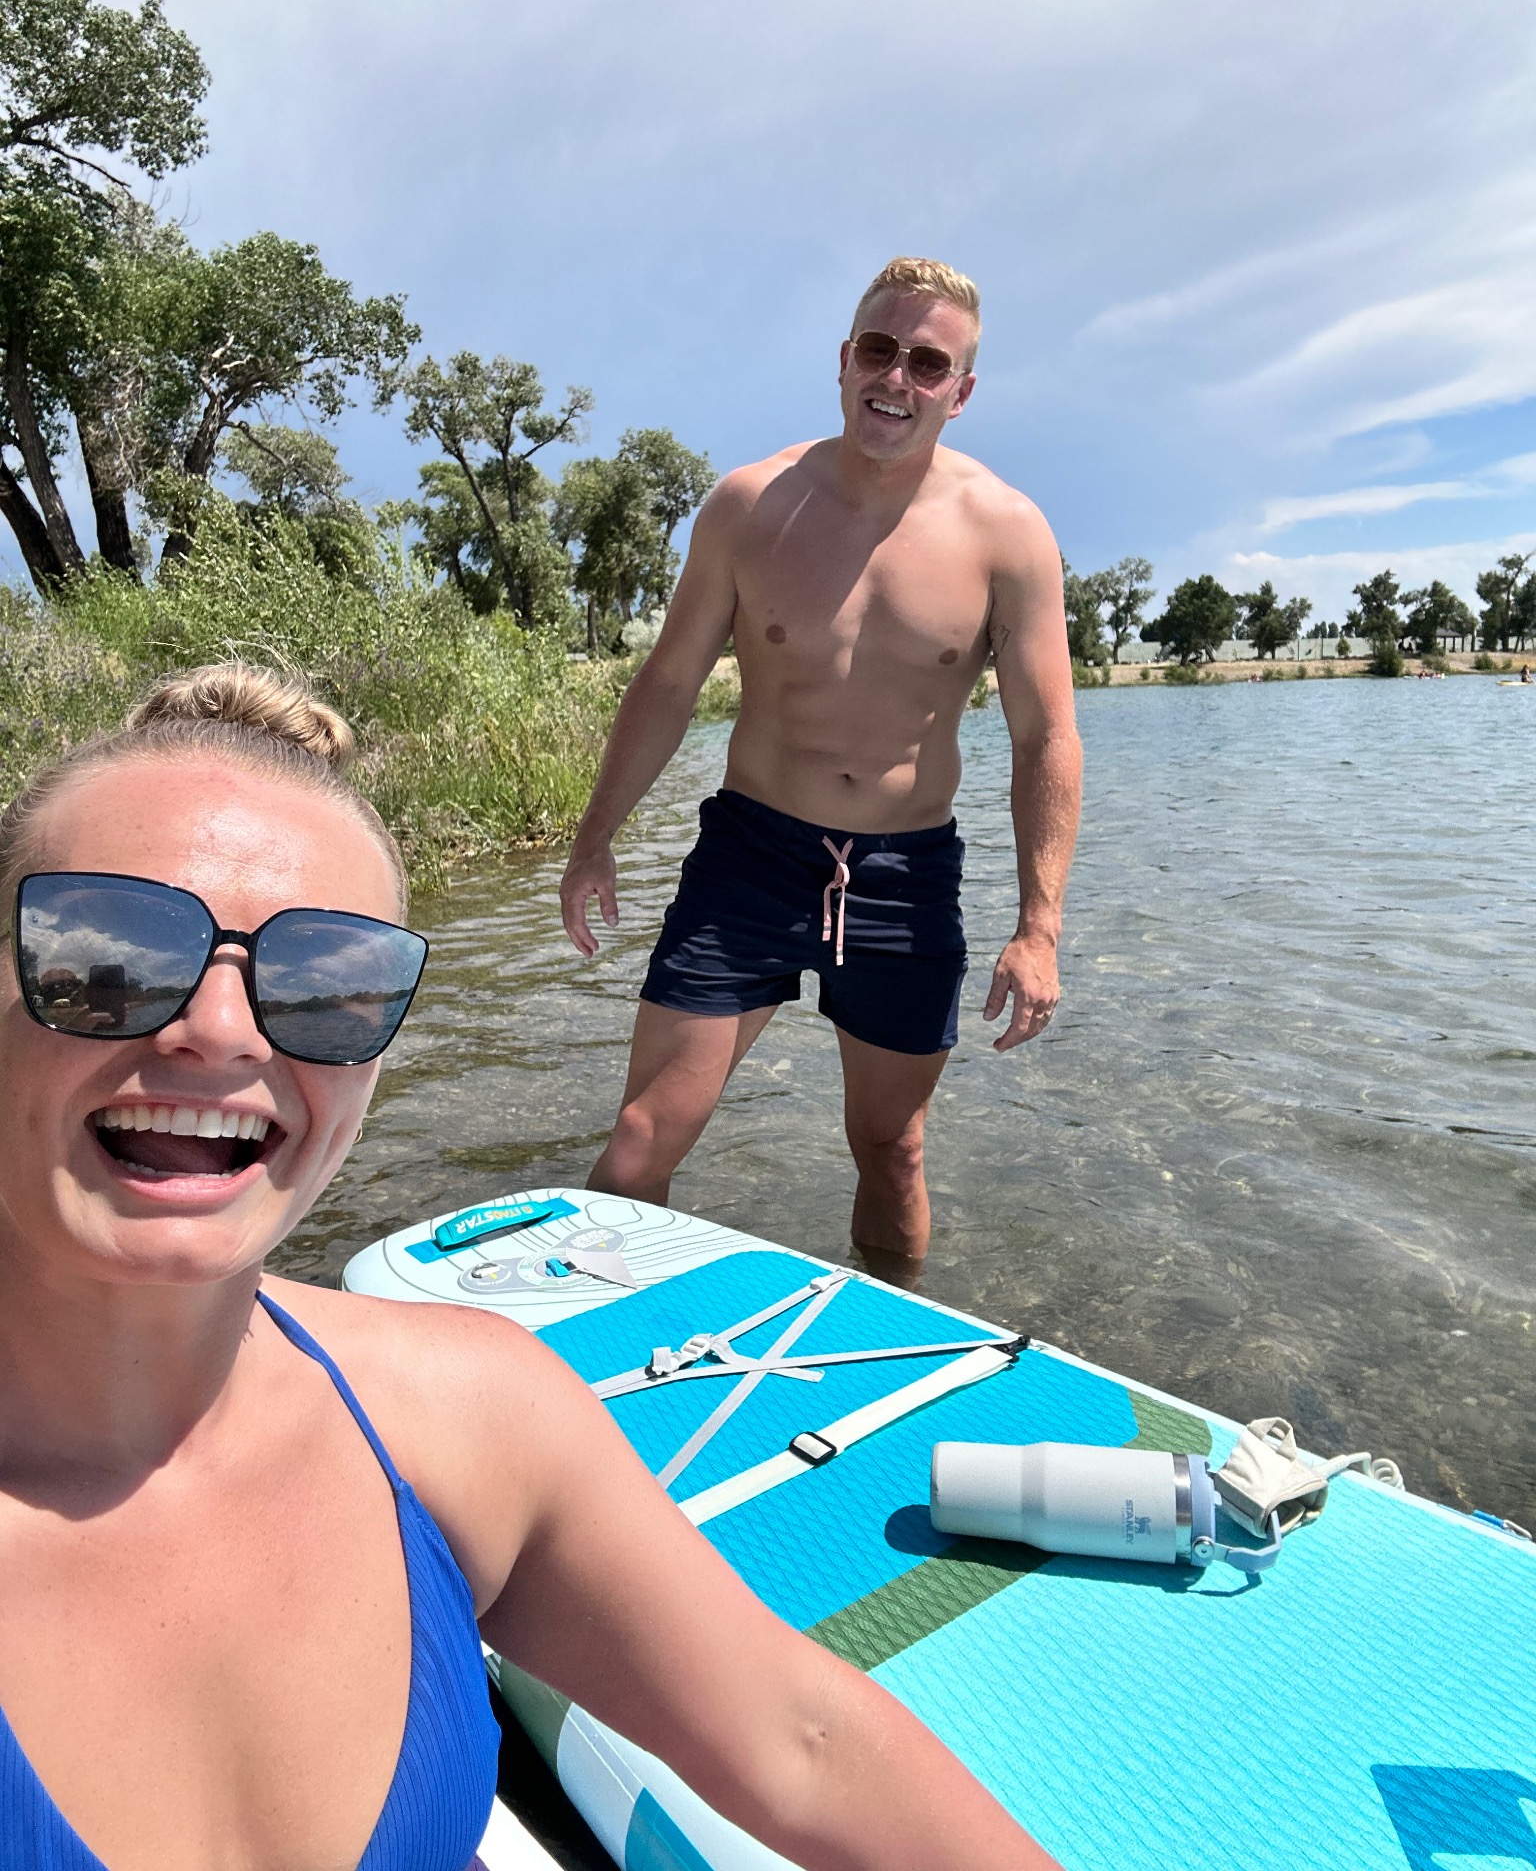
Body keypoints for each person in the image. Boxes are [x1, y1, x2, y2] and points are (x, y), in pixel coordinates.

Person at [0, 663, 1055, 1871]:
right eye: (113, 959)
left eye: (328, 984)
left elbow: (804, 1744)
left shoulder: (469, 1419)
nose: (225, 1031)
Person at [561, 257, 1081, 1261]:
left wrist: (1039, 926)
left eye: (928, 363)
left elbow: (1045, 735)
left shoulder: (1008, 535)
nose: (898, 378)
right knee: (640, 1139)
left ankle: (896, 1333)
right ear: (844, 360)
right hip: (749, 860)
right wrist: (595, 839)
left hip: (905, 876)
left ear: (962, 392)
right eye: (880, 350)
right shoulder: (749, 505)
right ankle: (584, 1331)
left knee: (893, 1150)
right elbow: (668, 682)